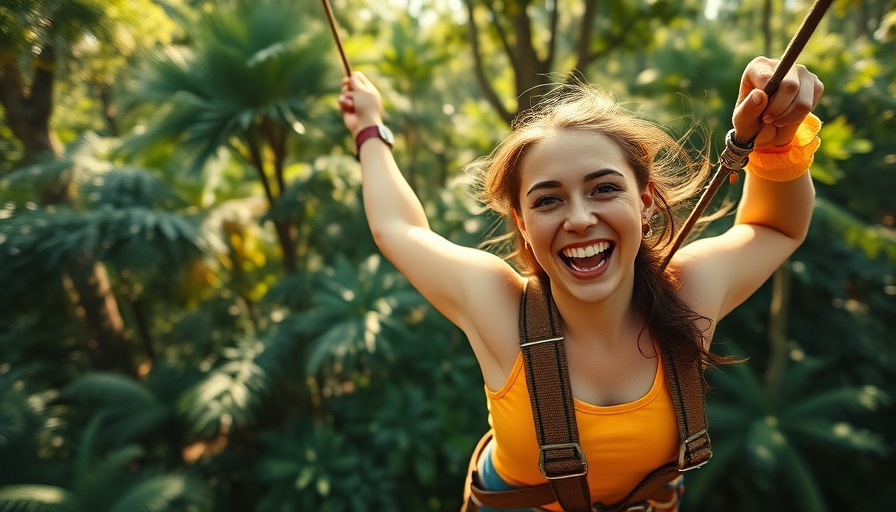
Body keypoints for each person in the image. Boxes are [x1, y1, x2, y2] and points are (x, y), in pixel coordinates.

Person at [338, 56, 823, 512]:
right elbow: (400, 231)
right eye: (548, 201)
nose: (580, 219)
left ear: (646, 201)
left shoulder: (690, 292)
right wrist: (369, 129)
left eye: (605, 188)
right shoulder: (498, 308)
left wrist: (777, 141)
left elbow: (774, 227)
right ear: (522, 223)